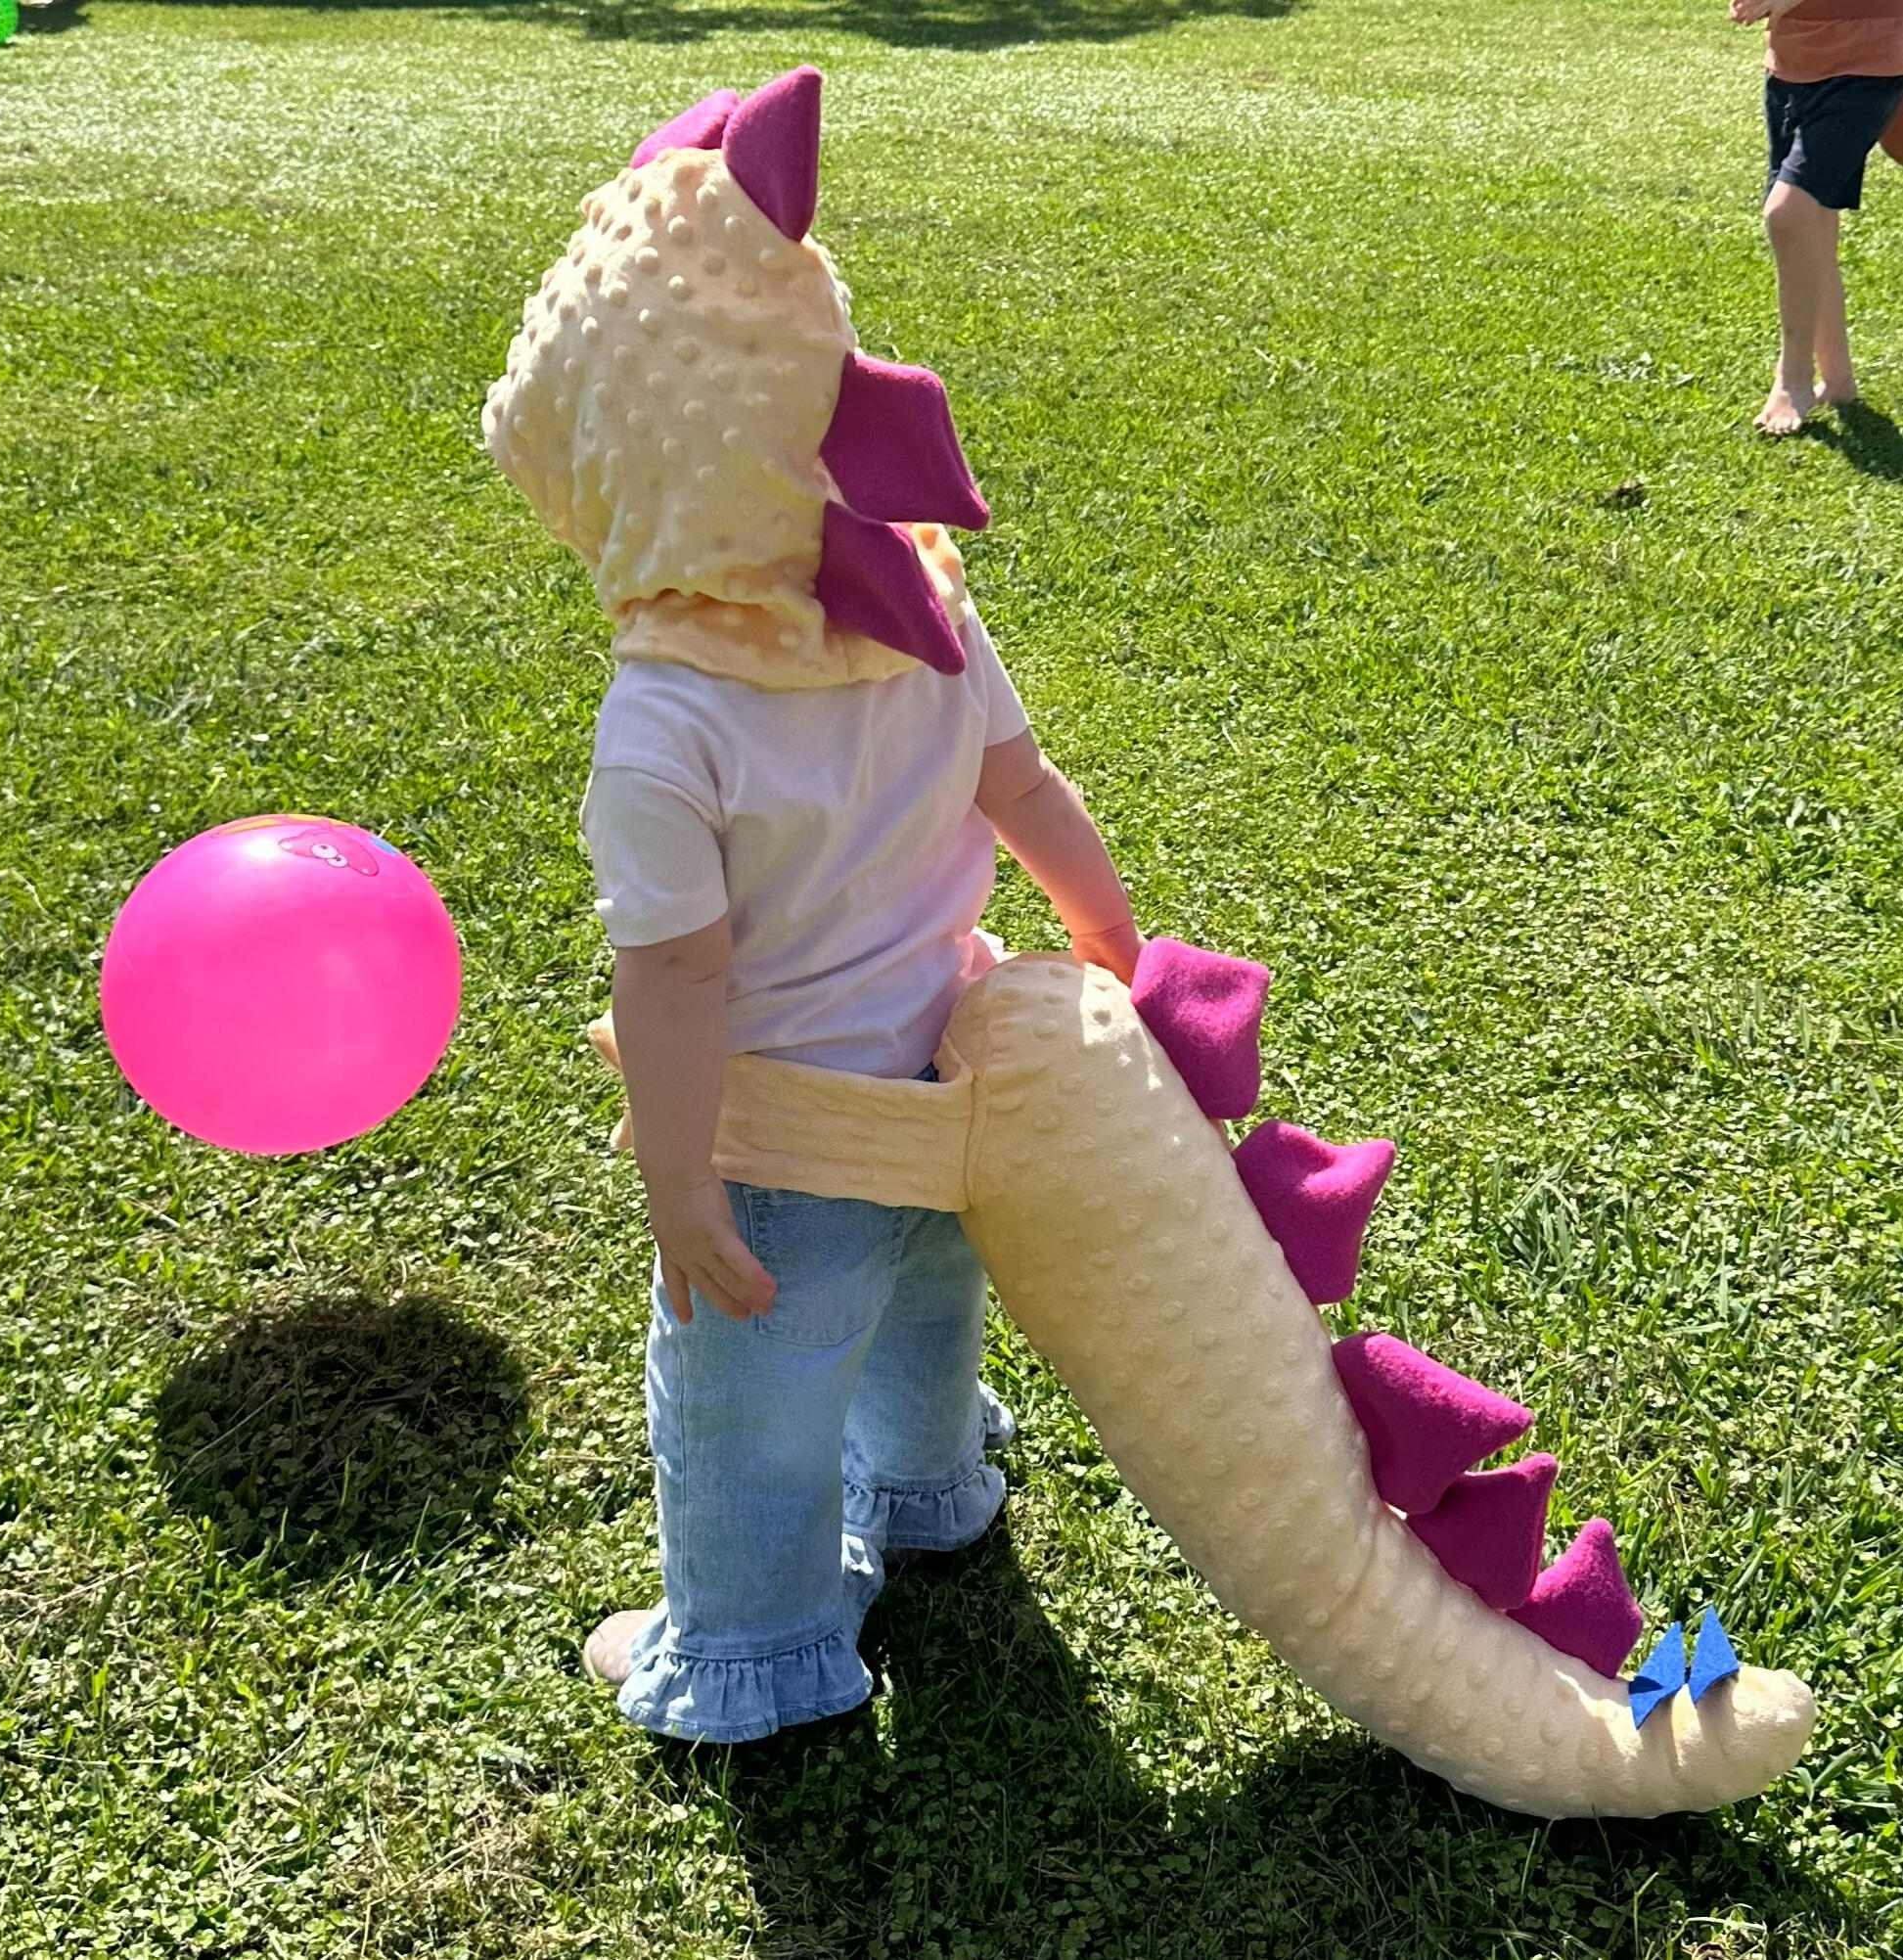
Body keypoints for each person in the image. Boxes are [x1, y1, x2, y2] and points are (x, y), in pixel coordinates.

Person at [479, 69, 1145, 1744]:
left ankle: (756, 1643)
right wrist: (1104, 933)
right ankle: (926, 1485)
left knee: (748, 1404)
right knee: (925, 1302)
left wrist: (680, 1179)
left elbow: (679, 978)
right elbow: (1027, 789)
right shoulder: (923, 607)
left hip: (783, 1135)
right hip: (949, 1075)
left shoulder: (667, 722)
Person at [1731, 0, 1903, 433]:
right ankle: (1837, 378)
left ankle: (1793, 379)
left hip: (1874, 58)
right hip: (1794, 61)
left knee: (1789, 212)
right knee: (1810, 220)